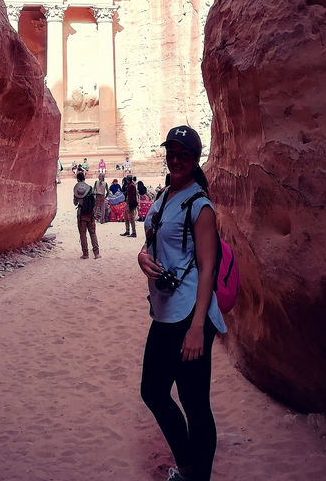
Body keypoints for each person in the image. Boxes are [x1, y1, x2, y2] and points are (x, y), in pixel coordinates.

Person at [137, 125, 226, 481]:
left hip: (190, 314)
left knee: (195, 405)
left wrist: (197, 330)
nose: (175, 159)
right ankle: (187, 468)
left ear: (194, 161)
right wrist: (141, 257)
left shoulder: (200, 205)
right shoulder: (163, 196)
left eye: (183, 155)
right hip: (164, 313)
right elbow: (155, 243)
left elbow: (208, 269)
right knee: (153, 392)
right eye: (171, 152)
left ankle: (196, 477)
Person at [73, 170, 100, 260]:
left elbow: (75, 203)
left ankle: (85, 254)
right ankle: (96, 253)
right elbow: (95, 201)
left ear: (78, 180)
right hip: (90, 214)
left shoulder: (77, 189)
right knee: (93, 233)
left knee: (83, 234)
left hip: (81, 214)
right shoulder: (90, 188)